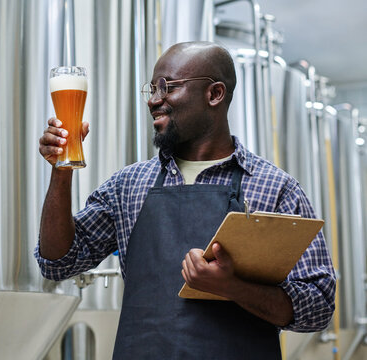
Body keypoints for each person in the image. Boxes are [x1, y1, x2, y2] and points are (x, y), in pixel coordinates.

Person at [35, 41, 335, 359]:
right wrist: (61, 170)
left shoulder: (275, 189)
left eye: (168, 87)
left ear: (214, 94)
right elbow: (58, 263)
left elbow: (317, 307)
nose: (153, 100)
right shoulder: (128, 185)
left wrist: (232, 287)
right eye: (151, 89)